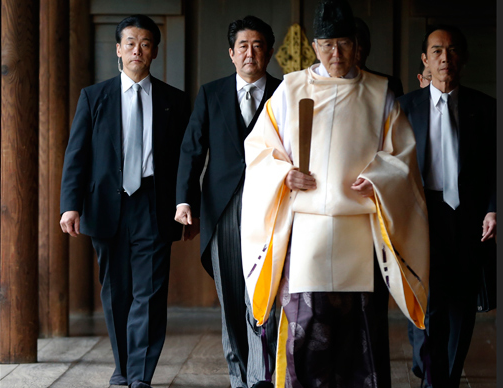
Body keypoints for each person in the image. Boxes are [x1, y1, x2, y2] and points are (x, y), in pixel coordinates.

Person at [239, 0, 430, 387]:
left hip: (358, 228)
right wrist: (285, 174)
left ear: (356, 44)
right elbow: (258, 149)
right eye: (327, 45)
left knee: (359, 333)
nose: (336, 54)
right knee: (303, 330)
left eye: (343, 44)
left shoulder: (380, 93)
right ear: (314, 45)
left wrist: (378, 177)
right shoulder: (290, 89)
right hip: (305, 230)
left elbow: (403, 157)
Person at [59, 14, 190, 388]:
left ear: (155, 52)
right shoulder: (94, 97)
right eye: (130, 42)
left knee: (149, 293)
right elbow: (77, 155)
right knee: (117, 292)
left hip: (153, 202)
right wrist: (71, 204)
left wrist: (185, 204)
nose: (137, 49)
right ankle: (122, 369)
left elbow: (187, 160)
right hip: (107, 206)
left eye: (145, 43)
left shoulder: (174, 101)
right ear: (118, 49)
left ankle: (140, 376)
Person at [175, 15, 281, 388]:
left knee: (267, 295)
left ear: (269, 52)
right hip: (224, 210)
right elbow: (191, 151)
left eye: (257, 46)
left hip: (273, 211)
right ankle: (240, 375)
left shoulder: (284, 94)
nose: (250, 53)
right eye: (243, 47)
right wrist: (184, 201)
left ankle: (262, 373)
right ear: (231, 54)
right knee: (233, 298)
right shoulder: (212, 93)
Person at [398, 24, 496, 388]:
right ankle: (433, 380)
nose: (444, 58)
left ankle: (447, 379)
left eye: (452, 51)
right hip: (424, 217)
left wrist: (493, 207)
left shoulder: (485, 109)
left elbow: (495, 166)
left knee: (462, 310)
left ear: (463, 58)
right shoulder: (405, 107)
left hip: (471, 219)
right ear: (425, 60)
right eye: (437, 51)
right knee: (430, 308)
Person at [355, 16, 404, 97]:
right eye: (345, 44)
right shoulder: (328, 86)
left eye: (358, 43)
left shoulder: (390, 85)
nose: (352, 50)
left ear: (368, 48)